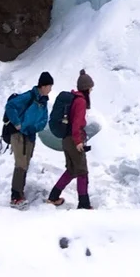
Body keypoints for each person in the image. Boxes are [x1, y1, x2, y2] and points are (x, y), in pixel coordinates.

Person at [48, 70, 94, 209]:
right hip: (74, 140)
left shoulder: (75, 98)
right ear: (87, 88)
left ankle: (53, 197)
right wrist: (78, 141)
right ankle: (84, 204)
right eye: (91, 87)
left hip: (66, 140)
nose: (91, 90)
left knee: (71, 170)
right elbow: (77, 123)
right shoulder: (80, 101)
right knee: (82, 172)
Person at [5, 71, 53, 206]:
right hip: (18, 134)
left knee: (25, 164)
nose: (50, 89)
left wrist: (35, 128)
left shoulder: (43, 102)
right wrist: (18, 124)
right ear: (43, 86)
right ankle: (15, 196)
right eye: (49, 86)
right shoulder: (29, 96)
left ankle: (20, 192)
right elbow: (10, 106)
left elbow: (44, 120)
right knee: (20, 164)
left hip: (30, 136)